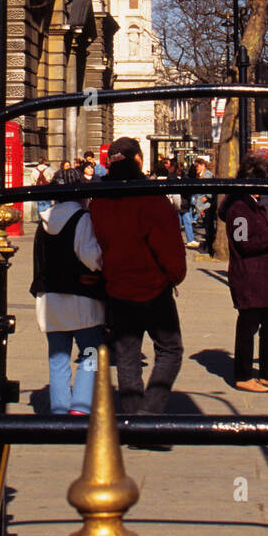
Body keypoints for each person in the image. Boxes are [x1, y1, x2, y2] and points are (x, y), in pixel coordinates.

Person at [88, 136, 186, 435]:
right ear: (139, 160)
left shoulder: (100, 201)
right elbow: (169, 246)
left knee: (128, 355)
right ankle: (149, 413)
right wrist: (174, 276)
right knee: (170, 350)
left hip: (117, 288)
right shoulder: (151, 199)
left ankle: (131, 419)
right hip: (153, 287)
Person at [218, 150, 268, 393]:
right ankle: (243, 375)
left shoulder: (249, 203)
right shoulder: (239, 208)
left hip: (260, 274)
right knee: (248, 324)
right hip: (249, 276)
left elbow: (253, 235)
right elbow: (244, 243)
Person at [30, 175, 106, 416]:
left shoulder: (44, 221)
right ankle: (81, 406)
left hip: (51, 301)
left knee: (58, 357)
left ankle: (60, 409)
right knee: (91, 352)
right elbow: (91, 257)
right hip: (81, 299)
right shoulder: (82, 219)